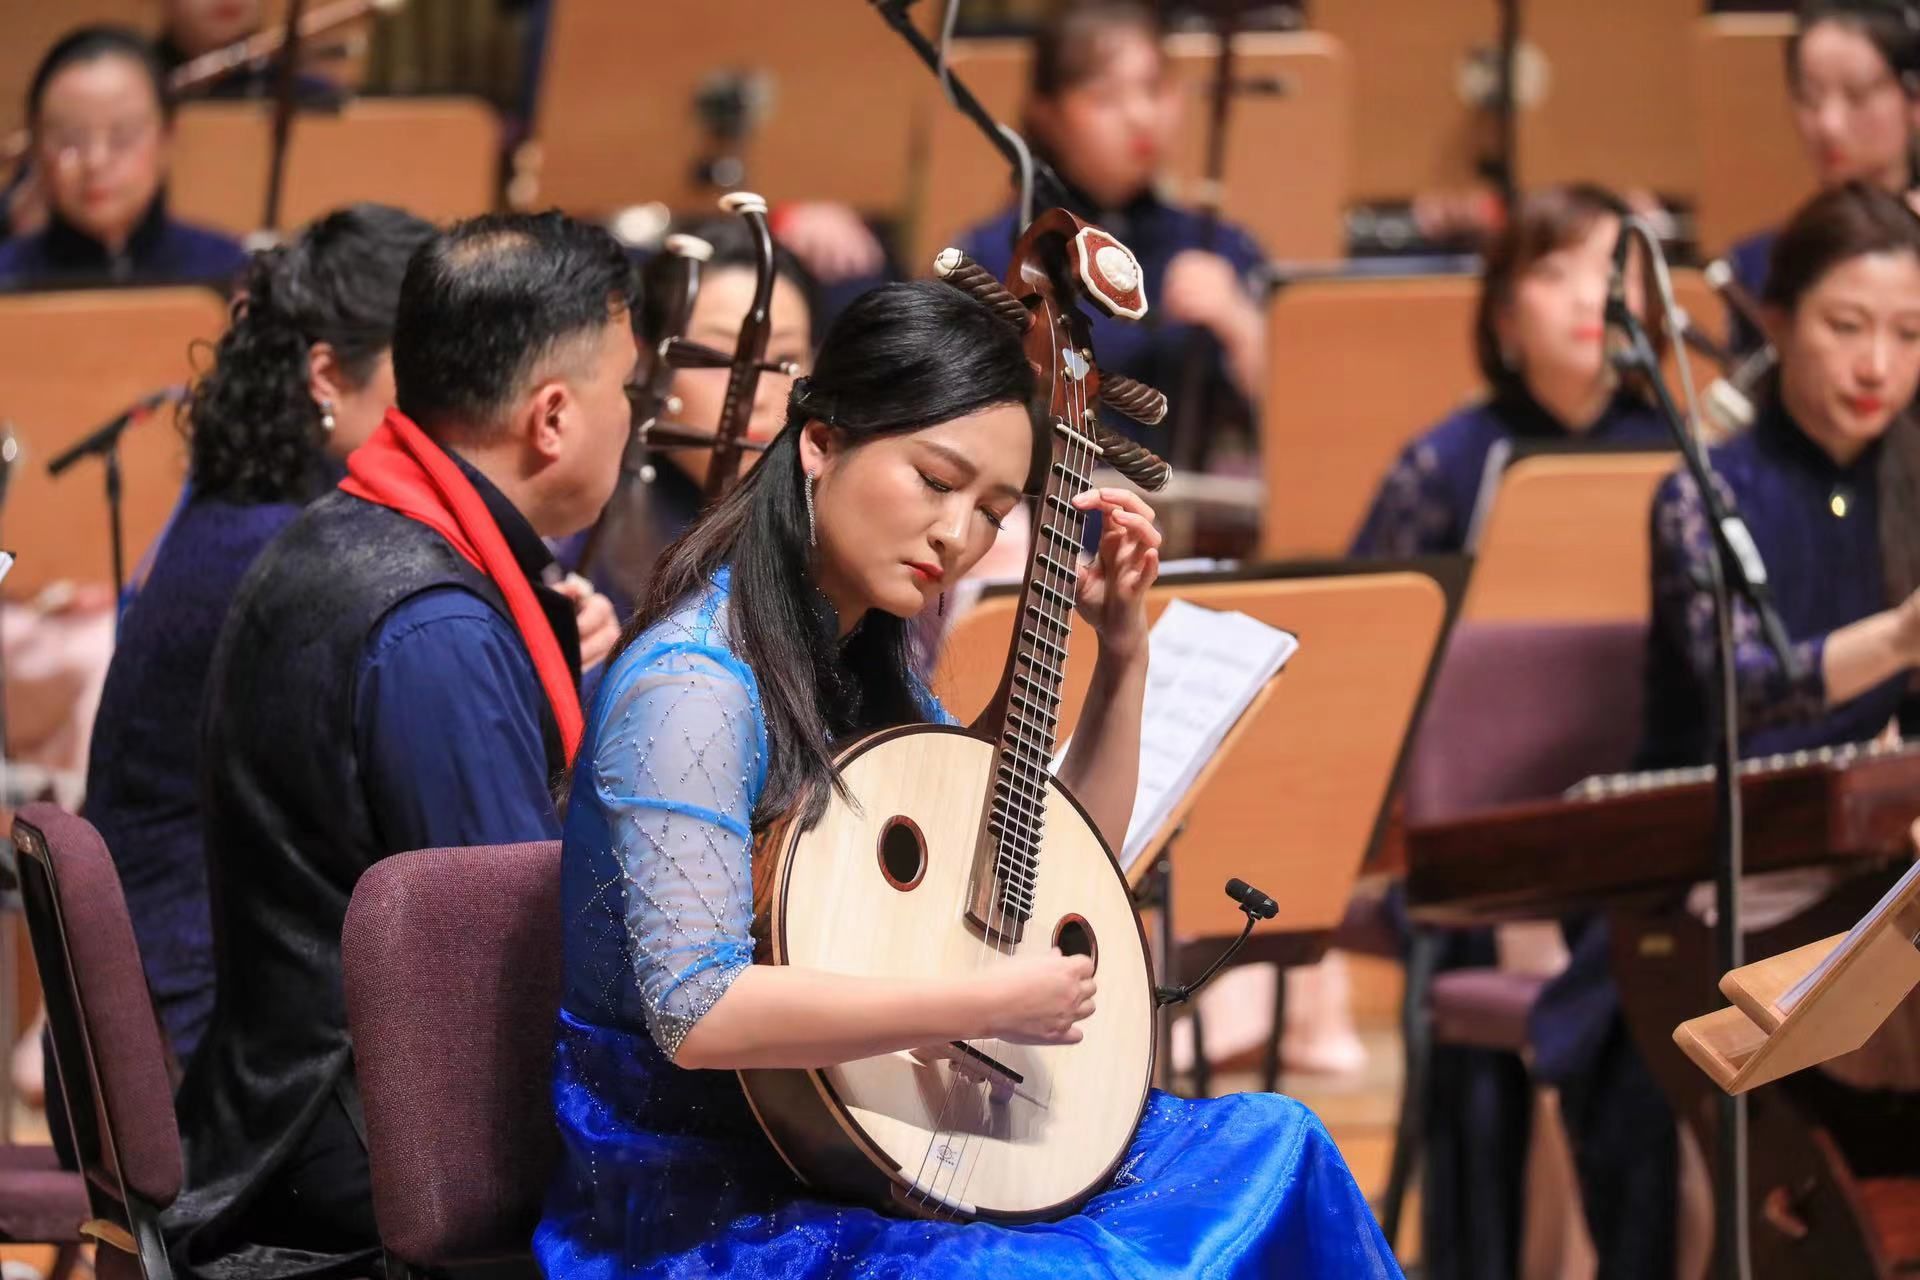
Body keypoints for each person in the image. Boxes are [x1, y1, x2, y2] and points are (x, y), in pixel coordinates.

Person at [534, 280, 1399, 1278]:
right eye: (934, 480)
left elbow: (1048, 855)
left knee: (1278, 1142)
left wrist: (1121, 652)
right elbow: (696, 1011)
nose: (959, 534)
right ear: (819, 443)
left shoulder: (870, 662)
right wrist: (970, 1005)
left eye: (992, 509)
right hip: (699, 1182)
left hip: (867, 1120)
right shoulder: (693, 684)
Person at [165, 211, 628, 1277]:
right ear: (552, 416)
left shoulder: (338, 530)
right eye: (627, 392)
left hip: (281, 1104)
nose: (634, 419)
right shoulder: (435, 627)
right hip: (348, 1162)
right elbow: (514, 971)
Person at [1535, 181, 1920, 1280]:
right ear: (1776, 317)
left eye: (1909, 335)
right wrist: (1897, 637)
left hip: (1875, 862)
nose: (1876, 365)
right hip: (1717, 875)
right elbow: (1740, 683)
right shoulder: (1709, 490)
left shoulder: (1912, 475)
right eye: (1847, 327)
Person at [81, 203, 433, 1074]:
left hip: (193, 1014)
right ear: (328, 374)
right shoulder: (283, 552)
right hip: (209, 1052)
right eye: (427, 364)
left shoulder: (253, 505)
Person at [951, 1, 1267, 461]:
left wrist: (1239, 322)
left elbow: (1297, 419)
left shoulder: (1222, 248)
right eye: (1105, 98)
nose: (1140, 116)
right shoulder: (994, 254)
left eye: (1155, 90)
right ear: (1046, 115)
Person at [1352, 183, 1671, 559]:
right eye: (1553, 274)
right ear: (1504, 316)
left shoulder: (1678, 451)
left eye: (1612, 274)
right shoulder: (1442, 462)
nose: (1588, 298)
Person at [563, 216, 815, 616]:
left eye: (784, 361)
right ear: (644, 364)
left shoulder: (826, 530)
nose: (751, 393)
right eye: (718, 358)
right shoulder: (577, 528)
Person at [1724, 0, 1920, 352]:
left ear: (1914, 101)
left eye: (1857, 96)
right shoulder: (1761, 264)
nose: (1828, 124)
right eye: (1809, 97)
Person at [0, 26, 245, 290]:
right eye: (70, 139)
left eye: (123, 137)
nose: (96, 161)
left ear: (167, 138)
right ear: (36, 146)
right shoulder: (7, 278)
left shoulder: (230, 271)